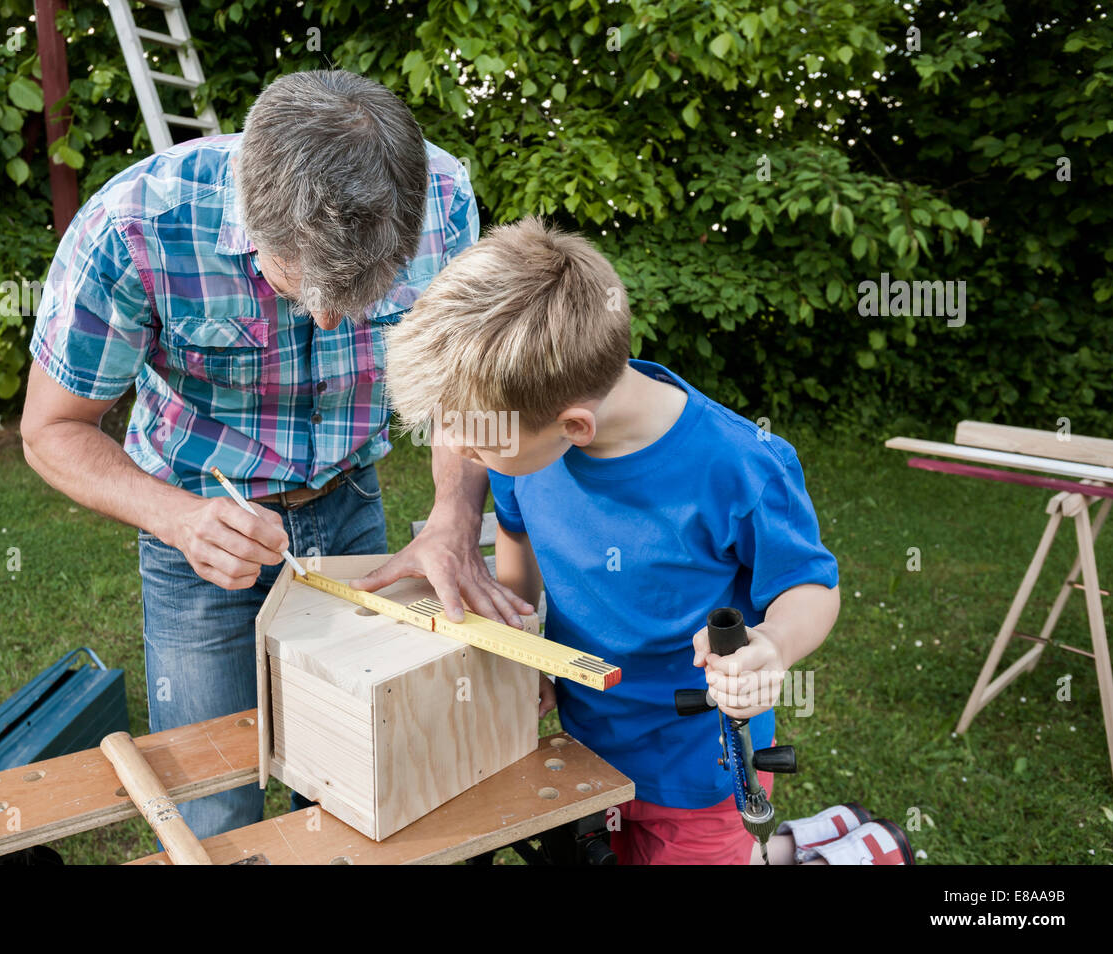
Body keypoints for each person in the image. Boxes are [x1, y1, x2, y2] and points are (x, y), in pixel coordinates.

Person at [20, 69, 532, 841]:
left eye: (360, 297)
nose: (329, 316)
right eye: (301, 290)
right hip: (195, 535)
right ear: (251, 219)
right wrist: (181, 518)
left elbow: (465, 389)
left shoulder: (446, 200)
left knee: (352, 793)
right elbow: (52, 429)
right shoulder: (132, 227)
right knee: (214, 806)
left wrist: (456, 518)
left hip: (351, 507)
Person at [380, 216, 907, 864]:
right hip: (585, 746)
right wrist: (522, 653)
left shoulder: (739, 465)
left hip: (697, 770)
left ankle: (825, 852)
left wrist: (770, 647)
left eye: (479, 441)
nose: (463, 454)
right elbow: (518, 552)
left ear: (574, 425)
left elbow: (810, 588)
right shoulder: (524, 454)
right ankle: (803, 841)